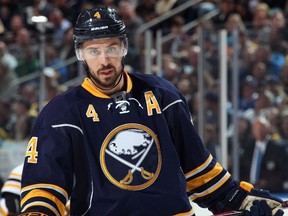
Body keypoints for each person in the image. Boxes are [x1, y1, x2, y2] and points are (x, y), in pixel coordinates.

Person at [19, 6, 284, 216]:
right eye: (94, 51)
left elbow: (196, 167)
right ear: (81, 54)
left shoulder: (162, 95)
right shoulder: (61, 114)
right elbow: (44, 188)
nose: (104, 60)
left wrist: (238, 196)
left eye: (111, 48)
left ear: (123, 48)